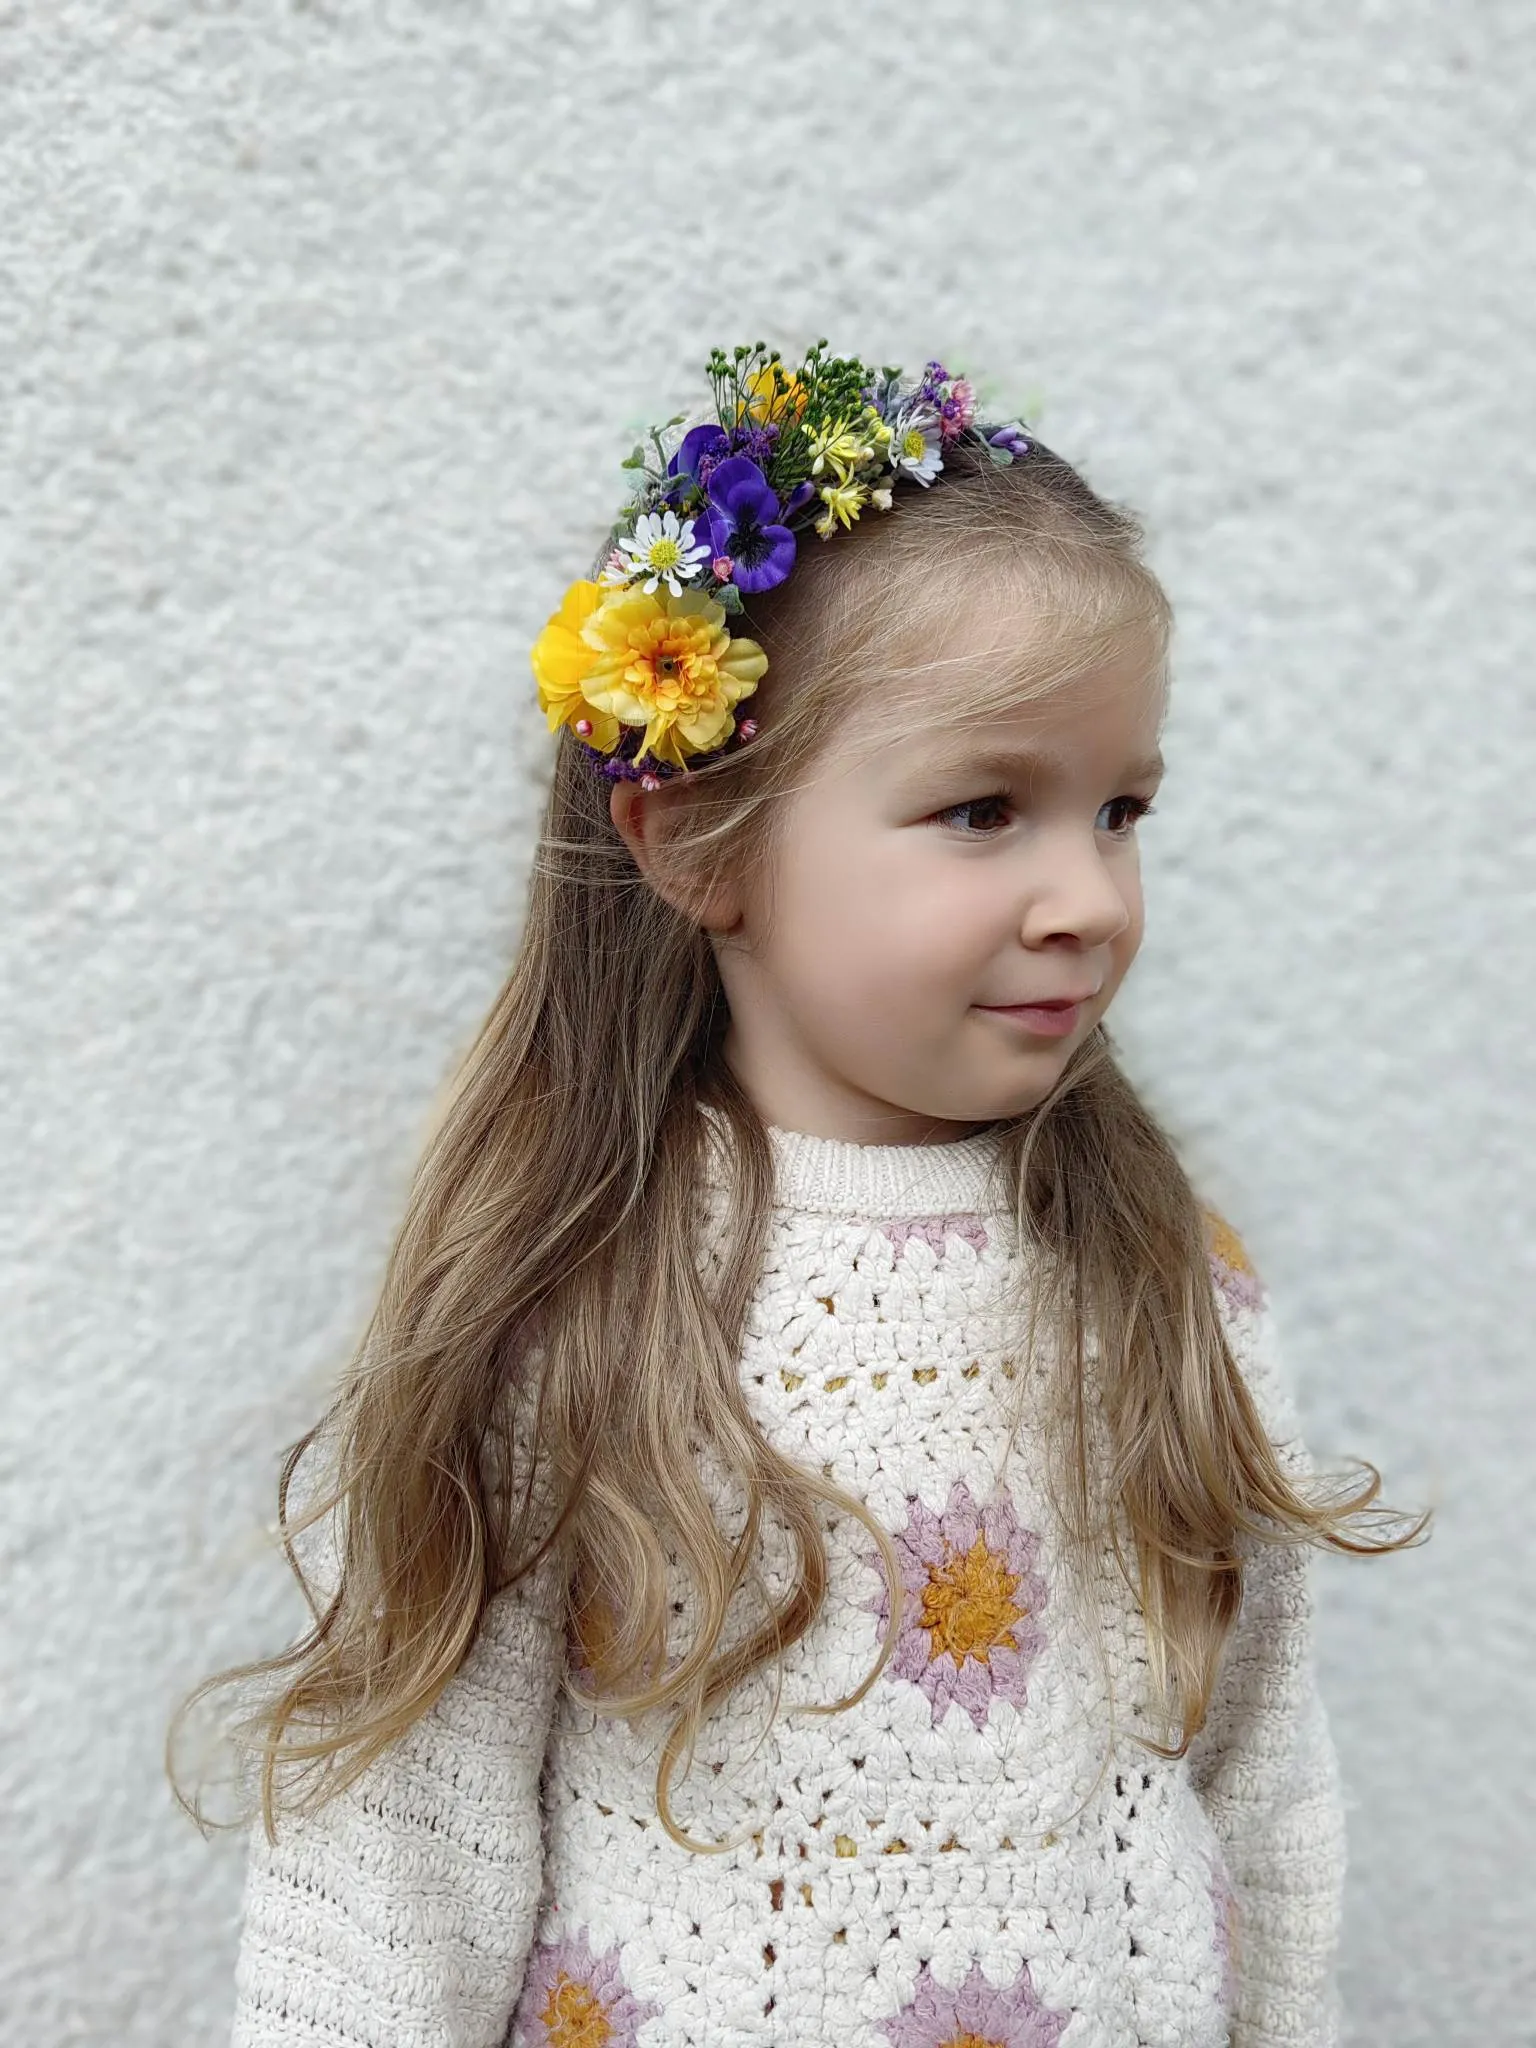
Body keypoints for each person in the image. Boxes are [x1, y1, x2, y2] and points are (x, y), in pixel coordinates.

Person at [187, 342, 1427, 2048]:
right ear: (698, 841)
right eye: (986, 808)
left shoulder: (1162, 1279)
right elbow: (393, 1867)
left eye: (1122, 809)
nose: (1091, 895)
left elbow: (1264, 1780)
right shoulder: (575, 1300)